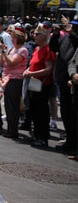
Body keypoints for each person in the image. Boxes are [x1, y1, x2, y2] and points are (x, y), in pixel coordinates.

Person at [24, 25, 56, 147]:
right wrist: (28, 70)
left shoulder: (48, 49)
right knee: (34, 111)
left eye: (37, 34)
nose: (34, 36)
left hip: (42, 85)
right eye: (34, 34)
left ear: (44, 36)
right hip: (33, 84)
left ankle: (43, 137)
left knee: (41, 112)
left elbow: (49, 69)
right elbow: (32, 64)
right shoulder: (37, 49)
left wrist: (31, 73)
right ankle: (37, 134)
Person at [49, 19, 77, 154]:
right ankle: (70, 140)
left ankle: (74, 143)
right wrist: (55, 34)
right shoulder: (65, 38)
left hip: (72, 80)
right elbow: (53, 48)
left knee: (73, 113)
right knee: (66, 113)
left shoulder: (74, 38)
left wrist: (72, 33)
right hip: (62, 78)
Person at [0, 28, 28, 140]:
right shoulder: (11, 50)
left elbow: (11, 63)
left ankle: (13, 129)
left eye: (12, 37)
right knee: (7, 104)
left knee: (13, 105)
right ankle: (10, 128)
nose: (11, 39)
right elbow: (2, 63)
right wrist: (4, 52)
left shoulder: (23, 50)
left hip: (16, 79)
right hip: (7, 79)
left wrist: (3, 52)